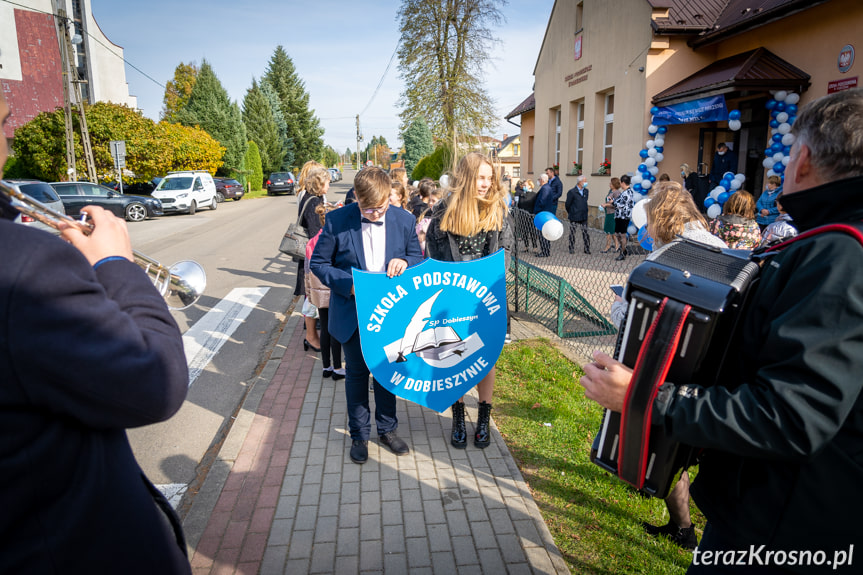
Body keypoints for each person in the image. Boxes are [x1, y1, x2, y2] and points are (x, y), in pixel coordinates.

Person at [580, 88, 863, 574]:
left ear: (805, 161)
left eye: (791, 150)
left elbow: (791, 416)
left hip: (782, 532)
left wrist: (648, 397)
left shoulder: (841, 256)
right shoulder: (833, 246)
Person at [0, 88, 192, 573]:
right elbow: (157, 382)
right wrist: (114, 263)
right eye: (2, 123)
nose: (9, 140)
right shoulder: (24, 265)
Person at [607, 181, 727, 551]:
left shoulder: (661, 260)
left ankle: (683, 529)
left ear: (658, 217)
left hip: (668, 370)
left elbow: (626, 318)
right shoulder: (724, 250)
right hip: (715, 371)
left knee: (667, 450)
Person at [310, 167, 424, 464]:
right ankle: (359, 434)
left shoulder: (405, 220)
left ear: (390, 196)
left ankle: (387, 429)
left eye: (380, 207)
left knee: (387, 374)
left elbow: (417, 258)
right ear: (356, 199)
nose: (373, 213)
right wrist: (348, 286)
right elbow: (319, 263)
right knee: (358, 375)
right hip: (353, 312)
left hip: (392, 314)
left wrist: (405, 261)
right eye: (366, 208)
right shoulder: (337, 220)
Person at [426, 152, 514, 449]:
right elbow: (434, 260)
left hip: (485, 300)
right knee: (453, 359)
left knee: (485, 361)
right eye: (481, 177)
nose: (486, 184)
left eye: (490, 178)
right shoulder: (441, 214)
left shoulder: (498, 211)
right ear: (465, 178)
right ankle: (459, 417)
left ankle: (484, 418)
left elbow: (506, 254)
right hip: (452, 300)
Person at [305, 202, 344, 381]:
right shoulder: (336, 239)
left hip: (318, 292)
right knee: (335, 329)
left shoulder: (311, 242)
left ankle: (325, 366)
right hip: (334, 290)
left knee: (325, 330)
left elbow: (307, 271)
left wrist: (309, 294)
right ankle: (337, 368)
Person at [298, 167, 330, 352]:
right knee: (311, 298)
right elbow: (314, 232)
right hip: (312, 256)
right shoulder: (313, 202)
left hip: (309, 255)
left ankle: (312, 335)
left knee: (310, 296)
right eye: (327, 182)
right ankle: (311, 336)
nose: (329, 185)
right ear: (320, 183)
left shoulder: (308, 197)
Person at [565, 174, 591, 254]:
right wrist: (572, 211)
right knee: (573, 232)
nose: (586, 182)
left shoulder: (586, 191)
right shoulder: (572, 192)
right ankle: (571, 248)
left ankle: (587, 248)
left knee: (585, 232)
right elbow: (567, 204)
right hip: (574, 215)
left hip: (583, 215)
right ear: (580, 182)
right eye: (584, 181)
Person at [533, 173, 555, 257]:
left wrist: (537, 211)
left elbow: (542, 201)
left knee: (543, 234)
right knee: (543, 233)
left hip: (543, 213)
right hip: (544, 213)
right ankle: (545, 250)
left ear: (542, 180)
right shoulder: (546, 188)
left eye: (539, 179)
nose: (538, 181)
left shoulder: (545, 188)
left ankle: (545, 251)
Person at [612, 174, 634, 260]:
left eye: (620, 183)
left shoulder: (628, 192)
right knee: (617, 233)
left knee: (622, 235)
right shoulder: (624, 192)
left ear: (623, 183)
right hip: (619, 216)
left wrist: (612, 203)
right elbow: (618, 201)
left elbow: (621, 204)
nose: (620, 184)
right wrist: (612, 201)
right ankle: (623, 249)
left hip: (624, 216)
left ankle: (623, 252)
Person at [600, 177, 621, 253]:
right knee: (609, 231)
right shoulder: (610, 191)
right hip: (608, 213)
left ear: (614, 184)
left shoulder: (617, 193)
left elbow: (617, 205)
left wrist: (606, 205)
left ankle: (611, 246)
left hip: (612, 214)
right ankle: (614, 246)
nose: (609, 184)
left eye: (611, 183)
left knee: (610, 231)